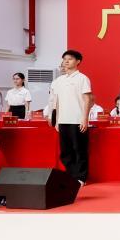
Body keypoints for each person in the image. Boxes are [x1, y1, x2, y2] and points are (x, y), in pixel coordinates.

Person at [48, 49, 92, 186]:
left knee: (79, 150)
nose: (66, 61)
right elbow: (57, 102)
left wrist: (85, 119)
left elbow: (87, 99)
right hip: (63, 120)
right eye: (64, 59)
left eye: (70, 59)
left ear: (78, 62)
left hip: (77, 120)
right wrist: (57, 120)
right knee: (65, 151)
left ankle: (81, 177)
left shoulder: (82, 78)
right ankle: (71, 175)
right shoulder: (59, 80)